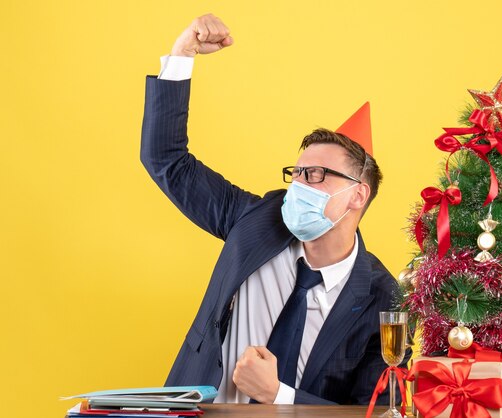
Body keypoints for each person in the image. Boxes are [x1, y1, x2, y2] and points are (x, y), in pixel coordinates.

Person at [140, 12, 410, 405]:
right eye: (297, 172)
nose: (299, 185)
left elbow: (376, 411)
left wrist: (278, 394)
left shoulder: (385, 298)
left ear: (358, 195)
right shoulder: (257, 219)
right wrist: (183, 53)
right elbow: (167, 160)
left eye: (316, 174)